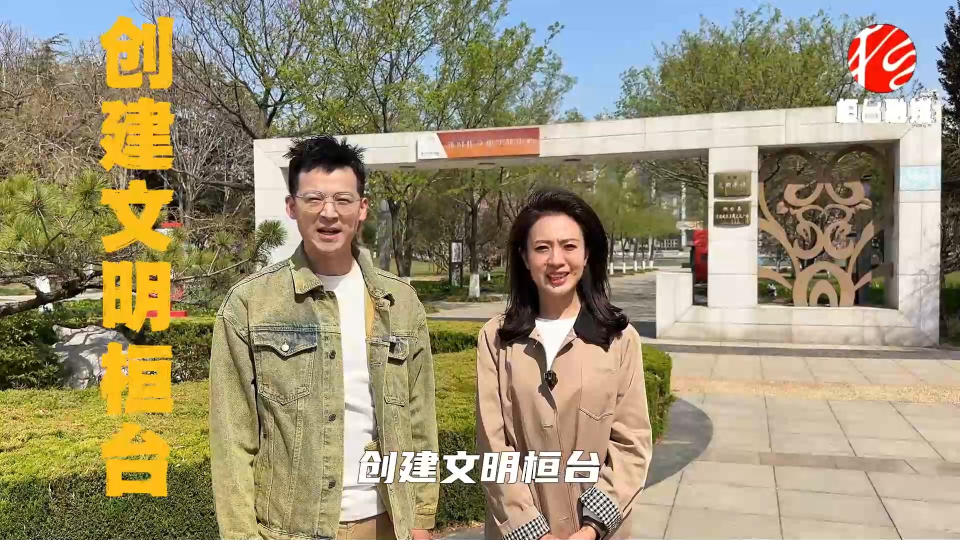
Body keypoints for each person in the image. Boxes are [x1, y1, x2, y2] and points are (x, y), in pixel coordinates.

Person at [209, 135, 438, 540]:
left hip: (387, 524)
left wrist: (421, 519)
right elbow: (232, 439)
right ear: (291, 206)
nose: (329, 213)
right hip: (289, 531)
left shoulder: (400, 302)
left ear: (362, 208)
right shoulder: (250, 304)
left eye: (343, 200)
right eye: (314, 199)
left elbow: (420, 421)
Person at [476, 187, 653, 540]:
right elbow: (493, 446)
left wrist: (591, 529)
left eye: (569, 246)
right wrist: (532, 530)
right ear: (525, 258)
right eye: (542, 248)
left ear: (587, 254)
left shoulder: (619, 339)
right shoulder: (496, 338)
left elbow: (631, 445)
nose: (556, 260)